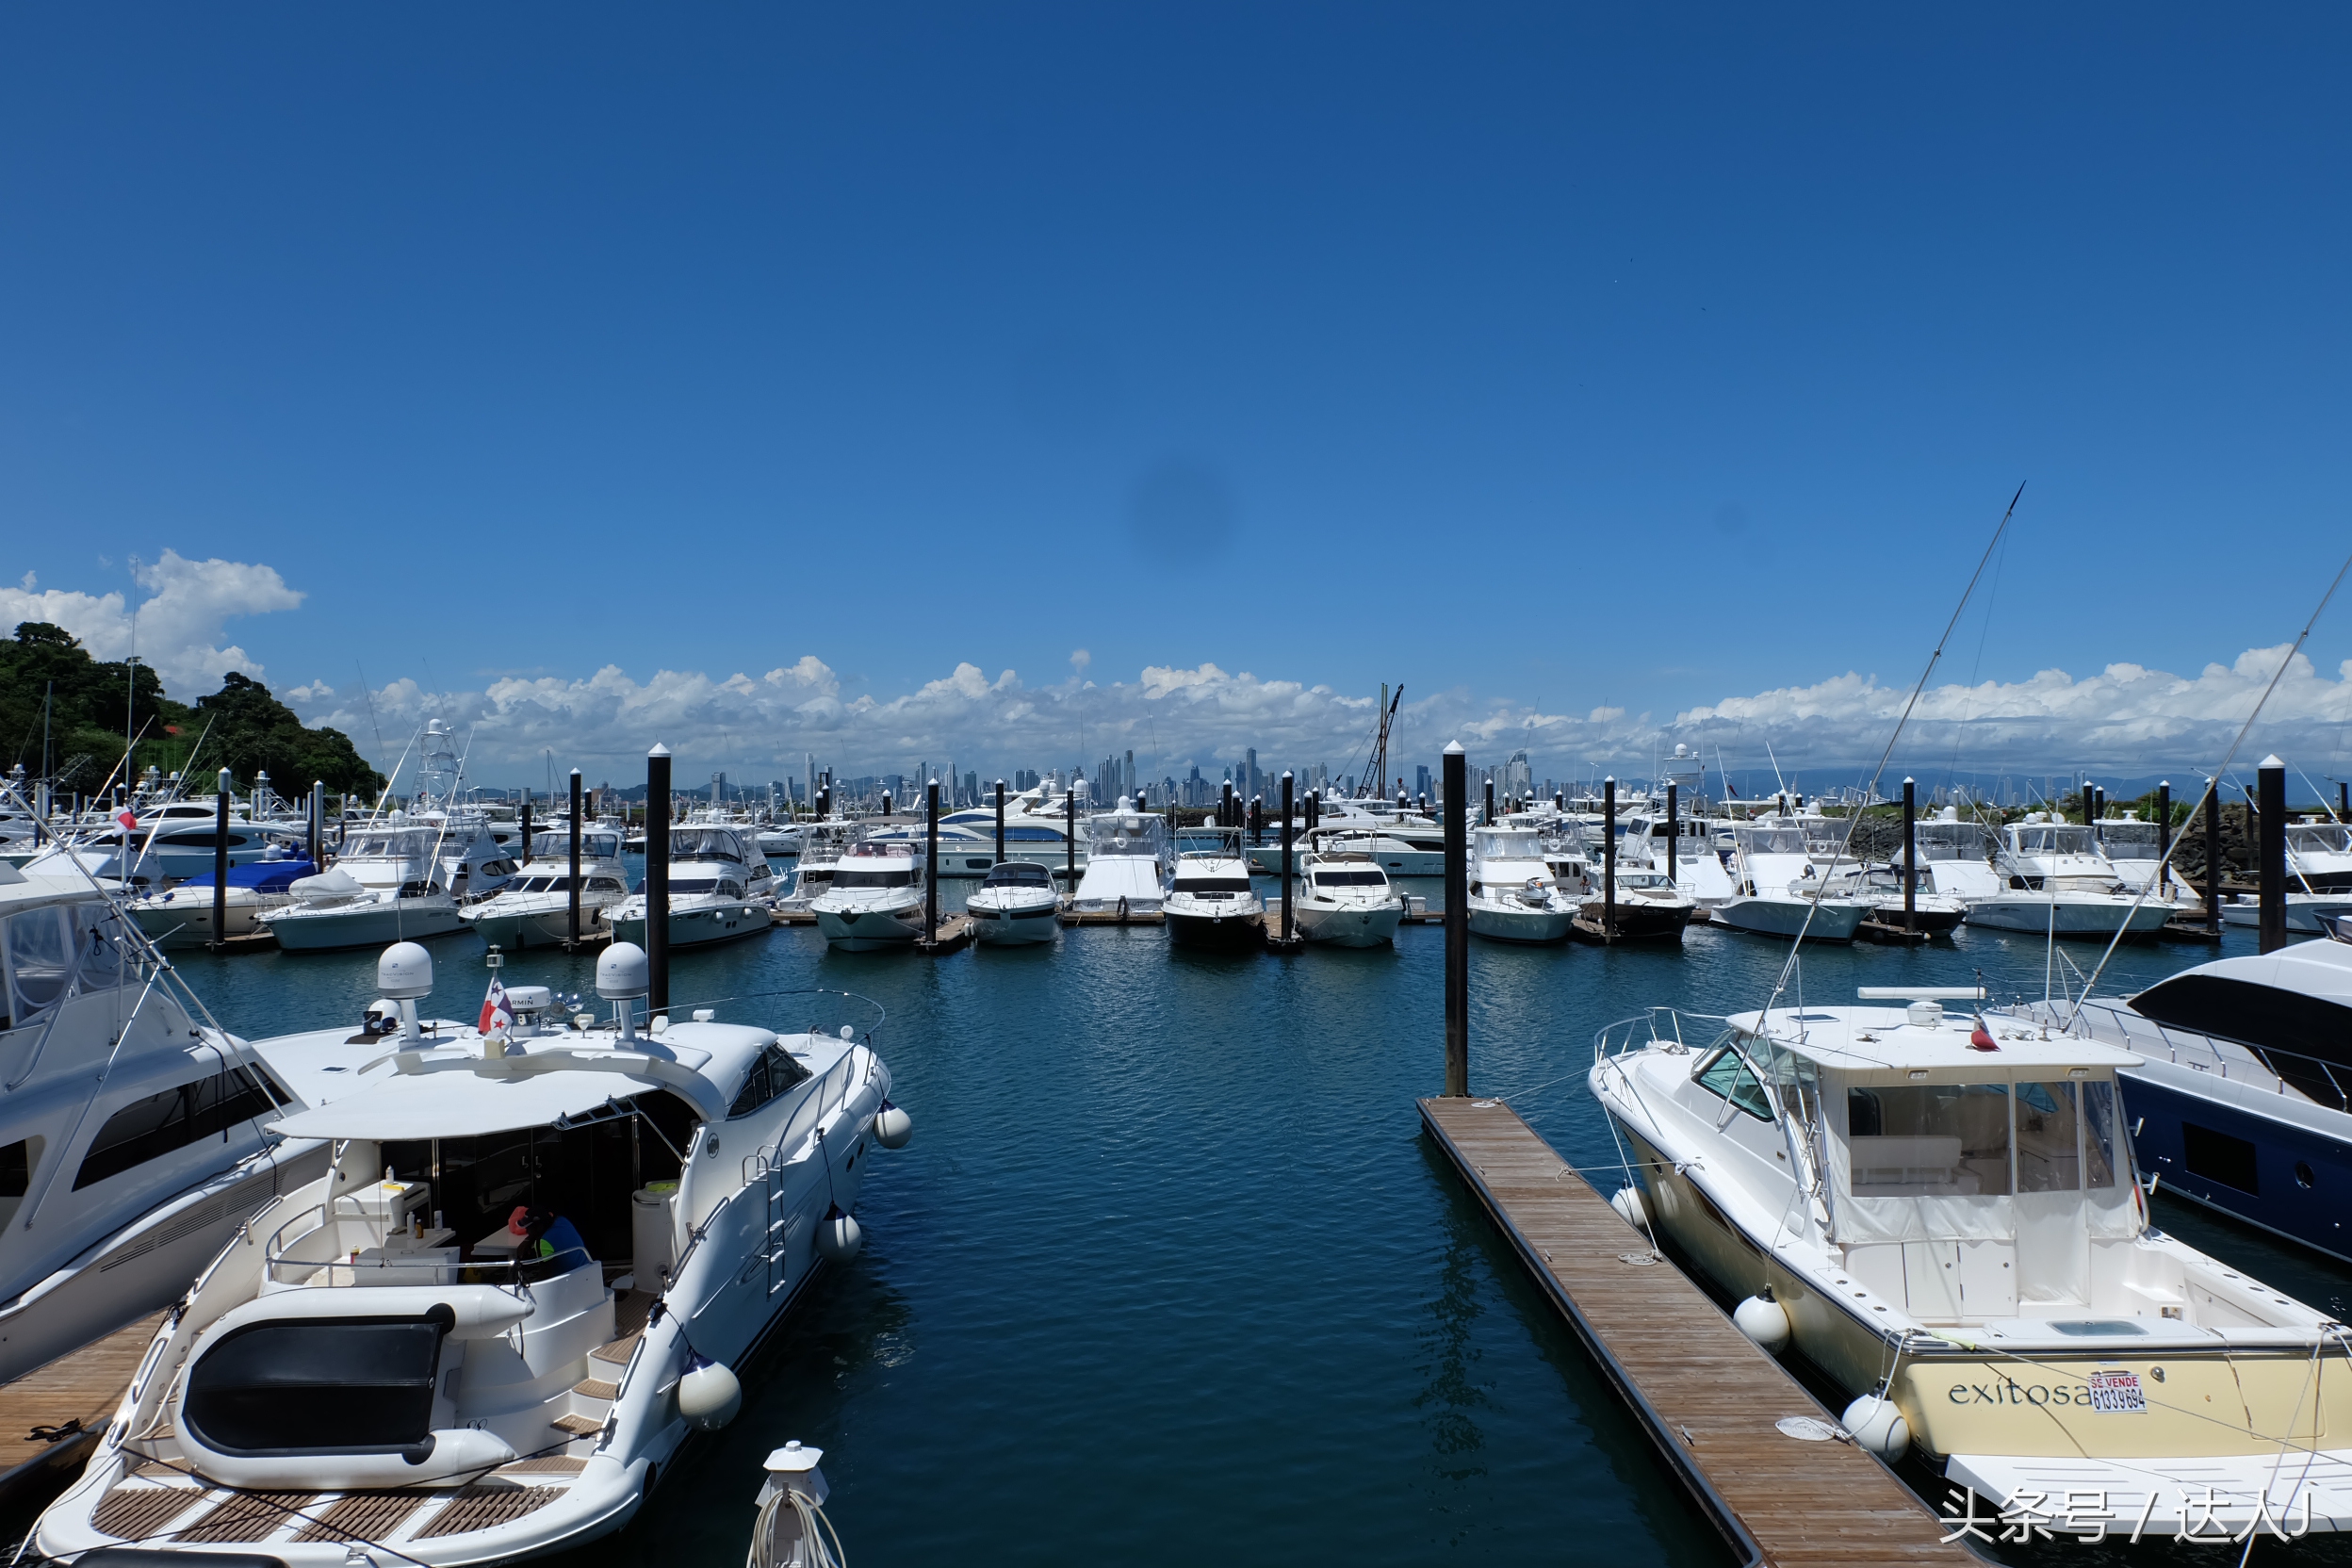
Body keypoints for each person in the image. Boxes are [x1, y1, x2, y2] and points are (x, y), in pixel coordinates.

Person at [508, 1204, 589, 1267]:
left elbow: (546, 1275)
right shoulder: (562, 1221)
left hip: (570, 1282)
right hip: (587, 1271)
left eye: (529, 1227)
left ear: (539, 1226)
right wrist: (529, 1240)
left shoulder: (543, 1243)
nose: (527, 1231)